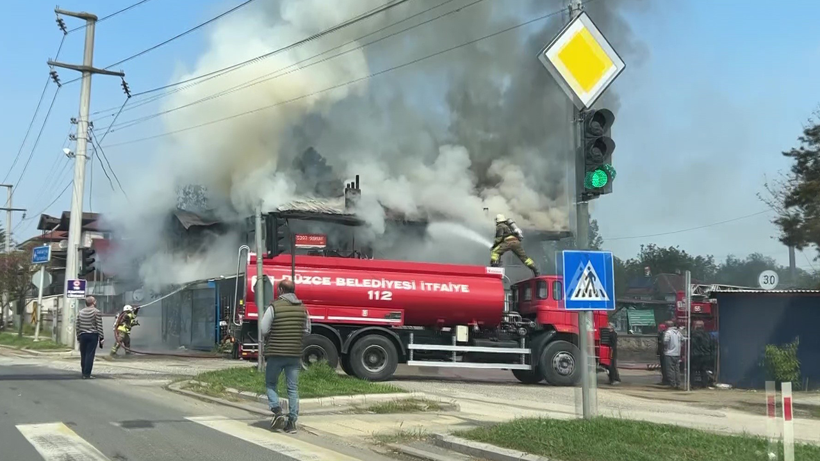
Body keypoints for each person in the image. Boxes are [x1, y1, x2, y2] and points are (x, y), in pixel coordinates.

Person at [261, 279, 311, 434]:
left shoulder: (274, 307)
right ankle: (292, 423)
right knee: (292, 388)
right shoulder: (303, 309)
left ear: (281, 290)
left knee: (270, 383)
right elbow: (308, 330)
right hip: (294, 354)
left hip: (276, 353)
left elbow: (263, 329)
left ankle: (277, 411)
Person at [75, 296, 104, 379]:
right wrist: (101, 337)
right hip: (92, 335)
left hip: (82, 335)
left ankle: (83, 372)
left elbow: (77, 325)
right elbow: (99, 325)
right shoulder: (96, 312)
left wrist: (78, 336)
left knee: (83, 354)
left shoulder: (80, 312)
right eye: (95, 301)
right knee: (90, 354)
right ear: (93, 302)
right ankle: (87, 374)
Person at [690, 320, 714, 388]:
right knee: (703, 370)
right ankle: (704, 384)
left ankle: (693, 384)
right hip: (706, 355)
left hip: (696, 354)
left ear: (696, 326)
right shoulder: (707, 334)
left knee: (693, 370)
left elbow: (693, 344)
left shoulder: (694, 334)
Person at [662, 320, 682, 389]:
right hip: (677, 353)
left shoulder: (668, 332)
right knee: (677, 369)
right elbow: (682, 340)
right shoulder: (678, 332)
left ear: (667, 326)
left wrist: (666, 348)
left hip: (669, 353)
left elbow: (665, 341)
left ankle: (672, 383)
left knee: (670, 369)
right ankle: (678, 383)